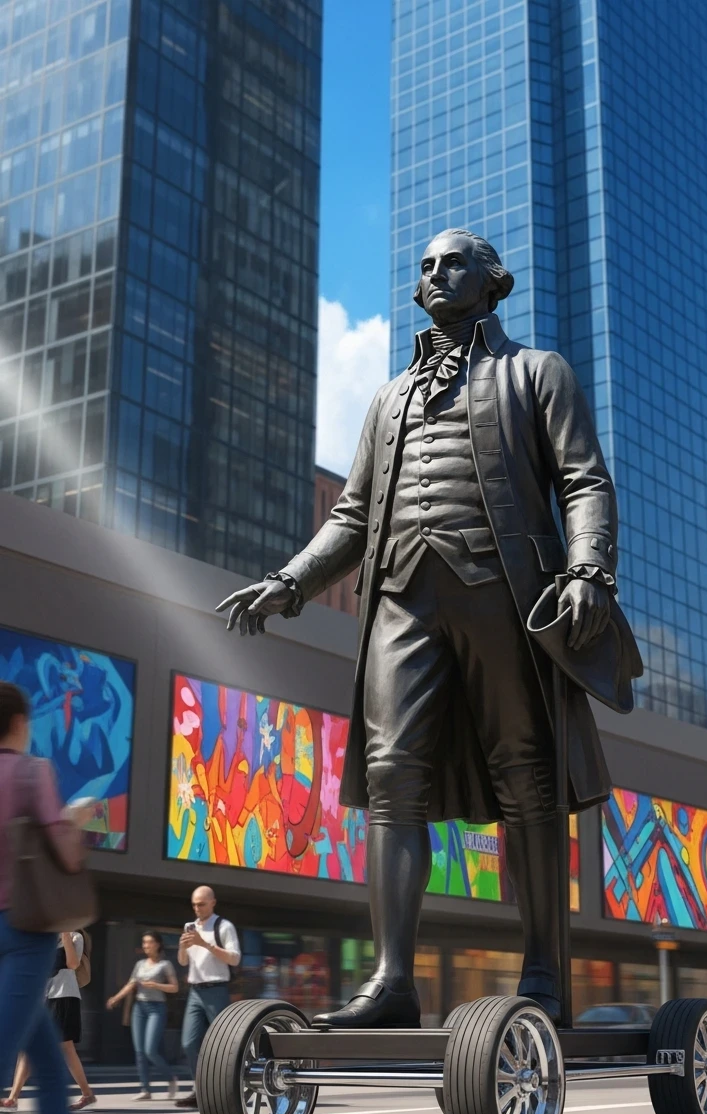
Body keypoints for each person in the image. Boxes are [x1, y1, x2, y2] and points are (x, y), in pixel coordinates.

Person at [217, 228, 637, 1029]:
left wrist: (588, 570)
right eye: (426, 266)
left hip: (505, 599)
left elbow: (584, 480)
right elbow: (350, 516)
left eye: (454, 262)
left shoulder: (535, 373)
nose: (435, 273)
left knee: (529, 779)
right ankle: (392, 982)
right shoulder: (388, 398)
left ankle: (544, 971)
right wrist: (290, 581)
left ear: (492, 281)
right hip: (402, 604)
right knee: (390, 780)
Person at [0, 681, 131, 1114]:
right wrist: (76, 816)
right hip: (23, 932)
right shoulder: (31, 772)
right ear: (20, 722)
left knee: (50, 1078)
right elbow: (66, 851)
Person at [2, 929, 98, 1112]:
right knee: (27, 1047)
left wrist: (65, 936)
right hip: (40, 998)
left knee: (66, 1047)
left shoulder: (75, 937)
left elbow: (72, 963)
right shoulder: (45, 939)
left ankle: (87, 1094)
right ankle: (13, 1098)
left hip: (64, 996)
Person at [174, 885, 240, 1108]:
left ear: (213, 902)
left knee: (223, 1045)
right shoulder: (189, 926)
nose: (197, 908)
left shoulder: (224, 926)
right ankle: (199, 1090)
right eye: (193, 904)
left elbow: (235, 959)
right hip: (195, 991)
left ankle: (229, 1091)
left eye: (201, 904)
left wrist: (205, 944)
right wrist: (183, 948)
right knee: (189, 1043)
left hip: (216, 990)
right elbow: (183, 961)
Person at [107, 931, 179, 1101]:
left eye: (149, 942)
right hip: (139, 1008)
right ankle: (145, 1089)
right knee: (139, 1051)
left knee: (150, 1050)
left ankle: (171, 1077)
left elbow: (175, 987)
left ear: (158, 944)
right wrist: (116, 998)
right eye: (144, 942)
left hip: (157, 1008)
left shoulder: (165, 965)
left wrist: (156, 985)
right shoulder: (139, 964)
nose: (146, 945)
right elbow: (131, 984)